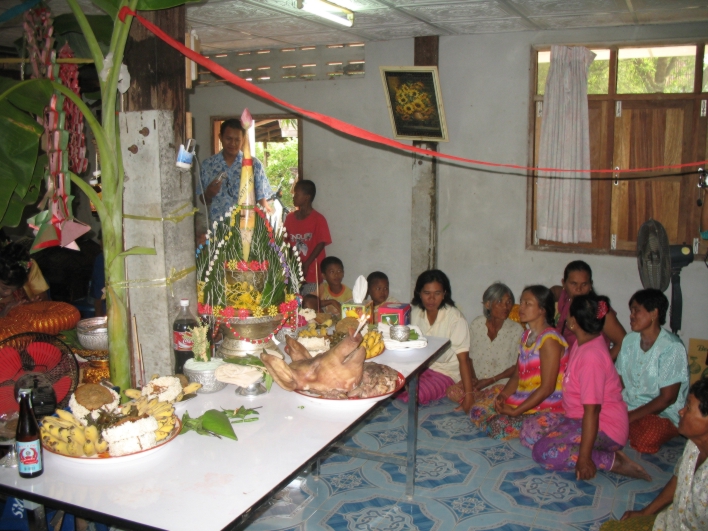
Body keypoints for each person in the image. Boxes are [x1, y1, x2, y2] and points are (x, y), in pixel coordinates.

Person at [532, 294, 650, 481]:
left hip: (605, 426)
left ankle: (609, 459)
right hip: (578, 418)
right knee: (531, 430)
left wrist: (584, 458)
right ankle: (588, 448)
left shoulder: (591, 358)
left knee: (543, 452)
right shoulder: (583, 342)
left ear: (573, 322)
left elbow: (593, 411)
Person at [600, 377, 708, 531]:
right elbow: (680, 478)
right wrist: (646, 512)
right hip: (669, 523)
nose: (681, 411)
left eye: (689, 408)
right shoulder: (693, 445)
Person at [470, 285, 568, 446]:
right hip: (524, 398)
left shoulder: (549, 340)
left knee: (497, 427)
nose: (520, 308)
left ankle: (540, 426)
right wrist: (504, 396)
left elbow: (548, 388)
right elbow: (517, 374)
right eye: (521, 302)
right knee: (477, 411)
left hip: (545, 406)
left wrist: (516, 411)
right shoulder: (526, 335)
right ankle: (519, 421)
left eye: (527, 304)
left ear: (542, 309)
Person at [615, 288, 689, 454]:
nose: (631, 316)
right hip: (628, 406)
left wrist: (628, 418)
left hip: (661, 414)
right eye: (631, 311)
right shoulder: (629, 340)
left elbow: (667, 398)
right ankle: (622, 428)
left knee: (647, 438)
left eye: (636, 311)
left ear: (654, 313)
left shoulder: (671, 347)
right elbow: (618, 380)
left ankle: (622, 429)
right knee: (592, 412)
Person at [405, 270, 472, 408]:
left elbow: (463, 359)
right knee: (391, 385)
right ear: (419, 293)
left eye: (437, 293)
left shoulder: (455, 319)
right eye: (427, 293)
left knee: (417, 394)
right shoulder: (414, 312)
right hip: (421, 368)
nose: (431, 299)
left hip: (446, 372)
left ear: (444, 294)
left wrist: (469, 395)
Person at [447, 282, 522, 404]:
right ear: (488, 304)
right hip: (477, 382)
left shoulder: (516, 330)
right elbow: (467, 357)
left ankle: (480, 404)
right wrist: (473, 379)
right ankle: (481, 403)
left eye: (508, 302)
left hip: (501, 383)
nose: (505, 306)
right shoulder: (477, 324)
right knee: (452, 392)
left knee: (499, 397)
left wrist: (489, 381)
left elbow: (516, 367)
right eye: (499, 302)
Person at [197, 118, 273, 231]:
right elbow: (203, 200)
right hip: (218, 230)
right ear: (220, 137)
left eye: (237, 140)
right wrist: (209, 193)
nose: (233, 143)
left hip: (246, 230)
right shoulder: (208, 165)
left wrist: (264, 230)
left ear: (243, 140)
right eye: (228, 139)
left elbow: (262, 200)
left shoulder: (254, 165)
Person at [552, 260, 626, 360]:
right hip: (568, 368)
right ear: (564, 283)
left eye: (584, 284)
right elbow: (555, 290)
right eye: (573, 284)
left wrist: (601, 362)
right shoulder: (566, 300)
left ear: (591, 284)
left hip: (590, 367)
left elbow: (624, 342)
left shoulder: (599, 309)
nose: (578, 289)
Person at [284, 180, 331, 295]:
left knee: (309, 304)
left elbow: (321, 243)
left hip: (312, 274)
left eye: (296, 194)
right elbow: (286, 242)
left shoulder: (318, 219)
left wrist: (306, 264)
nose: (293, 197)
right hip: (294, 273)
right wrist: (293, 264)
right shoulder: (290, 218)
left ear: (306, 197)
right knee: (294, 303)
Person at [0, 242, 30, 317]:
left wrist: (31, 307)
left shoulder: (18, 292)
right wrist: (2, 316)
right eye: (4, 288)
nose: (8, 293)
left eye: (14, 289)